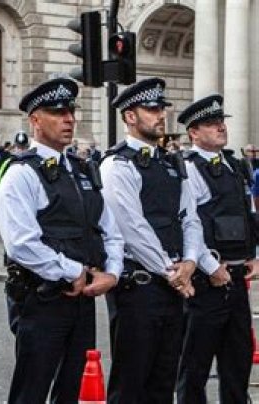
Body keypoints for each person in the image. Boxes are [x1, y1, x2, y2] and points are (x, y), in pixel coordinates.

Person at [0, 77, 123, 403]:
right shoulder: (22, 173)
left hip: (81, 298)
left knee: (73, 388)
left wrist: (112, 272)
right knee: (32, 390)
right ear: (35, 120)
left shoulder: (82, 169)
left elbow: (108, 227)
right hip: (41, 299)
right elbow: (21, 244)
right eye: (57, 113)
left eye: (70, 112)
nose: (68, 119)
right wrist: (73, 271)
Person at [100, 77, 204, 403]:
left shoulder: (170, 162)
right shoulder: (117, 164)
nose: (161, 115)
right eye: (152, 109)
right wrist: (174, 272)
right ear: (130, 116)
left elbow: (190, 217)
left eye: (161, 108)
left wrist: (190, 261)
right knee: (131, 383)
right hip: (139, 287)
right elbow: (132, 228)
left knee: (163, 382)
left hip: (172, 283)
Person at [176, 94, 259, 403]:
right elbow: (188, 224)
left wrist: (255, 257)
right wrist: (211, 267)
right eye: (211, 124)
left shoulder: (236, 166)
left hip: (236, 277)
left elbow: (250, 216)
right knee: (194, 365)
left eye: (221, 122)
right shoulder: (189, 168)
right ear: (193, 132)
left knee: (238, 360)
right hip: (205, 281)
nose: (221, 127)